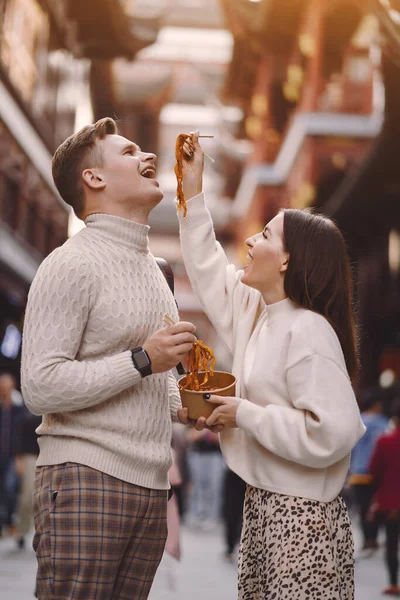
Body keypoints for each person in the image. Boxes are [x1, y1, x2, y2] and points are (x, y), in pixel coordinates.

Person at [21, 118, 212, 600]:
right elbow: (40, 386)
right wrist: (144, 358)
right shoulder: (69, 263)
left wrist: (186, 407)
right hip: (86, 478)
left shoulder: (155, 271)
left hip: (151, 486)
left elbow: (155, 380)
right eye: (129, 152)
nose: (148, 157)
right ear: (94, 178)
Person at [176, 132, 366, 599]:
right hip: (263, 509)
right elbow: (205, 268)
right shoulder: (258, 311)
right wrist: (193, 188)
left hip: (302, 520)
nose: (250, 242)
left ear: (286, 260)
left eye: (264, 235)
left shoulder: (309, 331)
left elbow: (336, 431)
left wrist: (245, 414)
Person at [348, 388, 389, 554]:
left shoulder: (359, 421)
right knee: (376, 507)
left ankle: (366, 540)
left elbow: (352, 448)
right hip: (378, 473)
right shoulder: (383, 423)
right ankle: (374, 538)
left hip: (359, 472)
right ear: (377, 405)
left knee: (363, 507)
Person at [368, 399, 400, 597]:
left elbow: (374, 470)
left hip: (391, 502)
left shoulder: (384, 441)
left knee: (392, 542)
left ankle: (394, 583)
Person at [14, 409, 42, 549]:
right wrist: (18, 459)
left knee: (42, 497)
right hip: (29, 457)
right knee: (27, 496)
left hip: (47, 455)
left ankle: (40, 532)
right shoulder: (25, 413)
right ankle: (21, 531)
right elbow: (18, 436)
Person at [0, 373, 24, 536]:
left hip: (11, 455)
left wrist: (19, 457)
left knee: (10, 488)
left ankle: (9, 521)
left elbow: (20, 433)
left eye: (6, 385)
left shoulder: (18, 407)